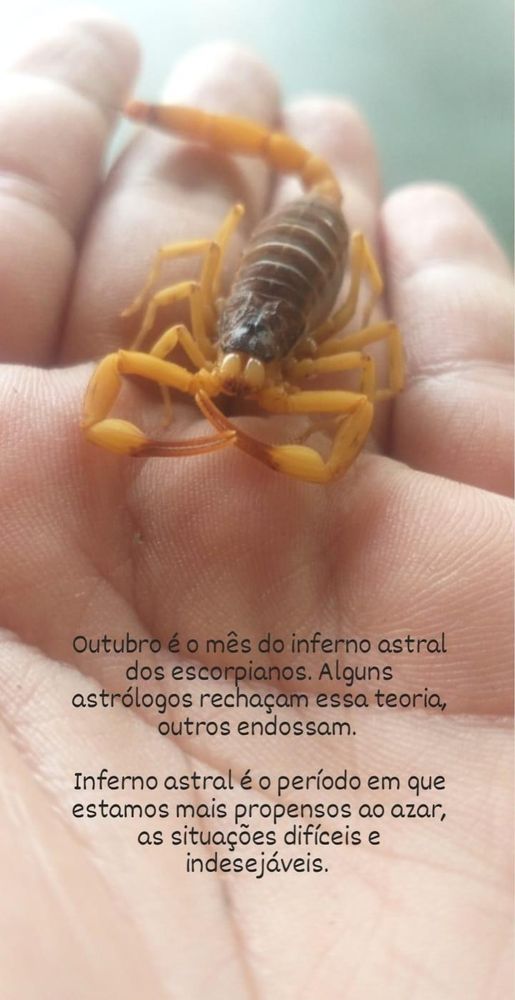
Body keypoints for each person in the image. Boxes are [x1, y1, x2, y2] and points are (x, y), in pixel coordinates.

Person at [0, 12, 512, 998]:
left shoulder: (313, 364)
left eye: (238, 381)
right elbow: (159, 317)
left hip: (308, 266)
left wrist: (281, 446)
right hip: (262, 277)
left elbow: (365, 375)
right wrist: (163, 406)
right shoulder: (207, 335)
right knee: (195, 267)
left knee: (338, 326)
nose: (229, 383)